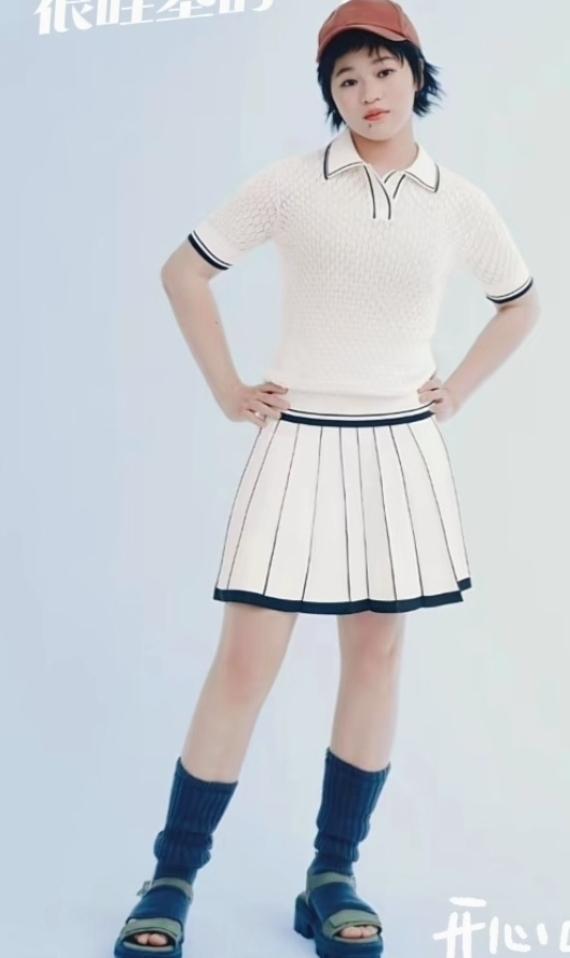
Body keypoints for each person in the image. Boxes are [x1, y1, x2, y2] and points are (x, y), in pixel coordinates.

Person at [112, 1, 540, 955]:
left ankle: (332, 875)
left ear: (415, 74)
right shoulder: (290, 186)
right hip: (298, 442)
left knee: (376, 660)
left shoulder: (458, 201)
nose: (367, 91)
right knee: (244, 663)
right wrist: (228, 388)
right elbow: (184, 273)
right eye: (346, 78)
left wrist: (458, 390)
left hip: (399, 451)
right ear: (330, 95)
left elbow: (520, 304)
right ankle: (172, 873)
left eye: (383, 70)